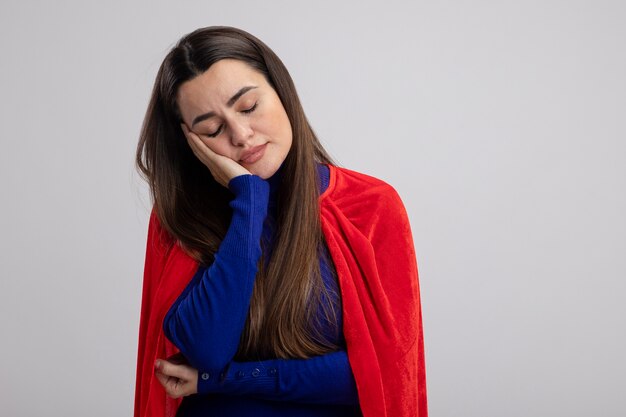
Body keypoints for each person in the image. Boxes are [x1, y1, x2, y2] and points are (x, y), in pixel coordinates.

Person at [133, 26, 427, 417]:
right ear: (191, 142)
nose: (241, 135)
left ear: (280, 91)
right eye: (212, 129)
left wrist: (221, 381)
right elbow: (205, 349)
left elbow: (379, 373)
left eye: (249, 107)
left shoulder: (371, 207)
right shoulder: (180, 219)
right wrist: (249, 200)